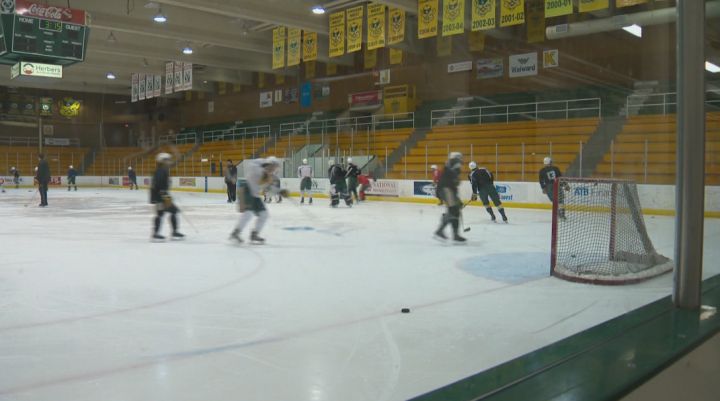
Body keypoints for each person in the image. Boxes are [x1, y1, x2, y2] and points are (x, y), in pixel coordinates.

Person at [229, 157, 288, 244]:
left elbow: (269, 188)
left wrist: (280, 192)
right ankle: (235, 233)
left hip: (255, 195)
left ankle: (254, 234)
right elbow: (252, 166)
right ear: (269, 164)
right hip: (247, 190)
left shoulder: (268, 176)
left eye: (275, 168)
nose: (274, 169)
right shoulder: (258, 166)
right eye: (273, 167)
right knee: (248, 213)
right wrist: (263, 170)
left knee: (264, 214)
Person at [150, 153, 184, 241]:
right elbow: (159, 185)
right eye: (167, 160)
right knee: (173, 211)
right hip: (161, 197)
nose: (169, 162)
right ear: (162, 161)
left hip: (160, 196)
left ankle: (158, 233)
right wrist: (165, 196)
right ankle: (173, 233)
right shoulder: (161, 171)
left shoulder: (161, 170)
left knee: (161, 214)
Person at [434, 152, 466, 243]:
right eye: (460, 158)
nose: (461, 160)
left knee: (455, 211)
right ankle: (440, 231)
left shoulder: (450, 165)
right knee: (453, 210)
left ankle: (455, 234)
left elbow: (454, 182)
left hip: (448, 190)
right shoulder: (453, 162)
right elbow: (454, 179)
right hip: (446, 189)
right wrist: (457, 180)